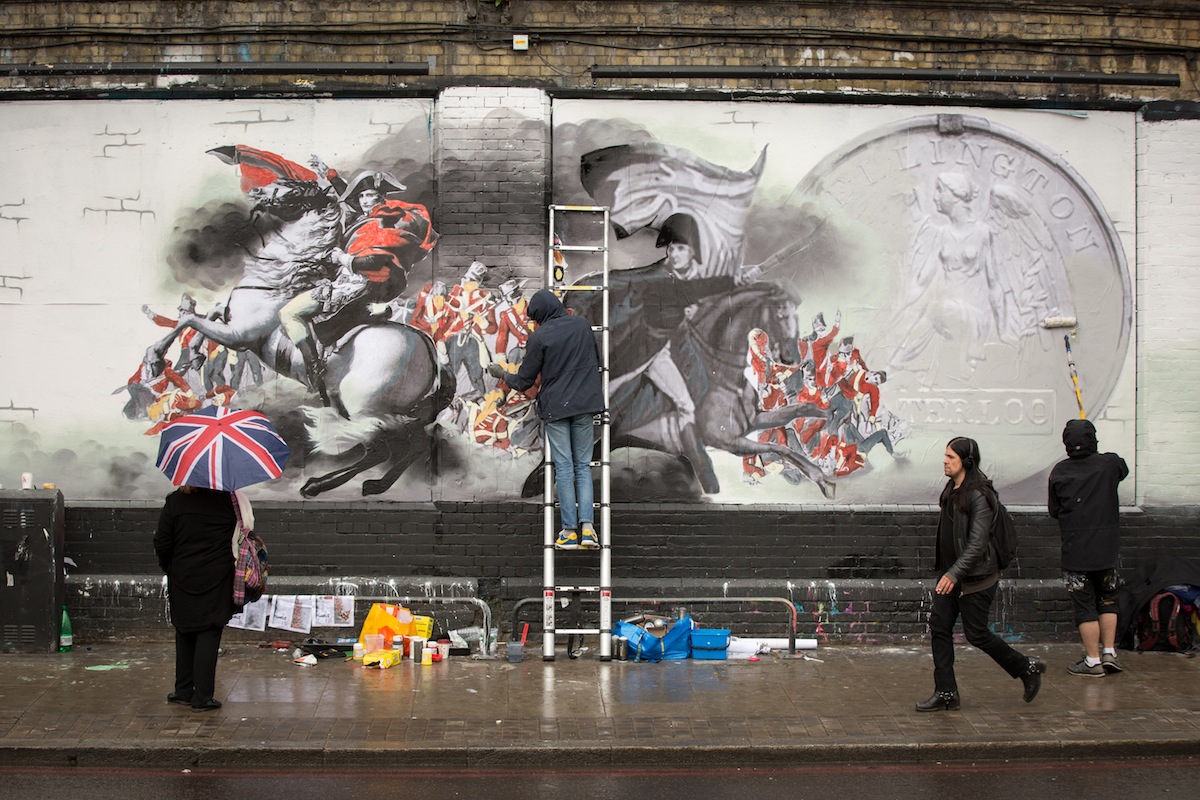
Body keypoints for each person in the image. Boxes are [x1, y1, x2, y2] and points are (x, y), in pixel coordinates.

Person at [917, 436, 1045, 711]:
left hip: (975, 579)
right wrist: (947, 573)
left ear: (966, 462)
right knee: (940, 628)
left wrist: (953, 574)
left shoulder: (979, 495)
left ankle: (1027, 667)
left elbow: (976, 544)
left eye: (951, 457)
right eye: (945, 455)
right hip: (951, 576)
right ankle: (946, 692)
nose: (945, 460)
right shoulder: (952, 489)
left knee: (977, 635)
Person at [493, 289, 604, 550]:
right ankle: (588, 530)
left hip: (556, 407)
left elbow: (524, 381)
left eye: (535, 318)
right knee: (582, 467)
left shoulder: (539, 336)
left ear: (541, 315)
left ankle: (568, 532)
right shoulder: (582, 326)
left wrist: (502, 373)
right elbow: (595, 360)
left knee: (564, 468)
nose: (534, 323)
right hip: (586, 404)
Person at [1048, 418, 1130, 677]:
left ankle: (1092, 661)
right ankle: (1109, 653)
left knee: (1085, 607)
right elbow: (1122, 468)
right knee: (1108, 600)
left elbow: (1055, 511)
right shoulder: (1108, 464)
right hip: (1107, 551)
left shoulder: (1059, 472)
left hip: (1076, 552)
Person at [153, 486, 238, 713]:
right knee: (209, 632)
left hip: (182, 574)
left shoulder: (176, 501)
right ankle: (202, 697)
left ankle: (183, 691)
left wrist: (170, 567)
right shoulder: (228, 502)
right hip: (217, 575)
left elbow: (161, 541)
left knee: (184, 629)